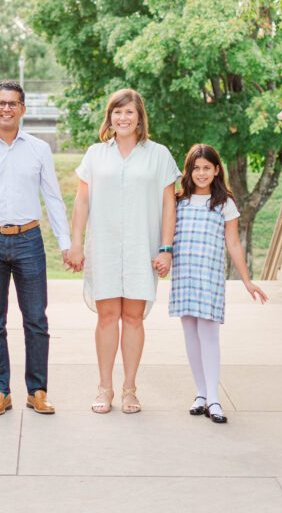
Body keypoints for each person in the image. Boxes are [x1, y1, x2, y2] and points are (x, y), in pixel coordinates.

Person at [0, 80, 71, 416]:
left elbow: (53, 198)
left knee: (36, 319)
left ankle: (37, 390)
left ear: (23, 109)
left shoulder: (39, 149)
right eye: (1, 103)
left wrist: (65, 244)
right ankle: (0, 391)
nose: (7, 108)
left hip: (28, 242)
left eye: (13, 103)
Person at [68, 88, 178, 414]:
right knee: (107, 316)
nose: (123, 117)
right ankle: (105, 388)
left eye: (129, 112)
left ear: (140, 117)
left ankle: (130, 388)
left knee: (132, 317)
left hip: (141, 248)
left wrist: (166, 248)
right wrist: (76, 244)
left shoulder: (158, 155)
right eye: (117, 112)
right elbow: (82, 201)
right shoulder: (95, 155)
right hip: (103, 246)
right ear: (109, 117)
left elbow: (168, 205)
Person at [167, 143, 268, 424]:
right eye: (196, 168)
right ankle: (200, 393)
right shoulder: (178, 201)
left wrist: (247, 281)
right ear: (188, 171)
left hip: (209, 276)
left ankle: (214, 397)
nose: (201, 173)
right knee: (190, 333)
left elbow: (233, 243)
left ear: (216, 170)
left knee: (208, 334)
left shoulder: (224, 203)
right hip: (184, 276)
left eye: (206, 168)